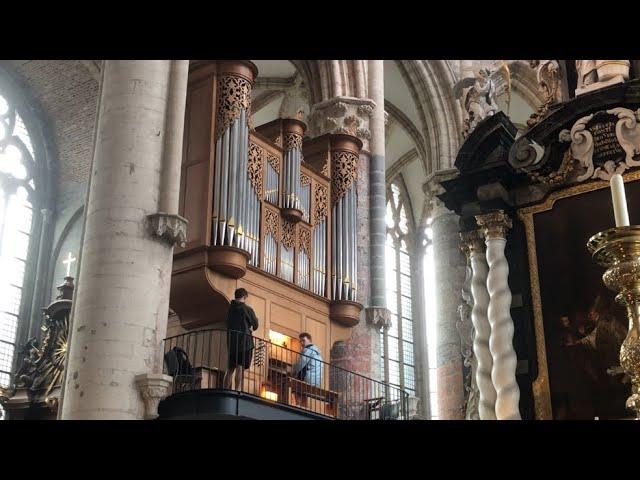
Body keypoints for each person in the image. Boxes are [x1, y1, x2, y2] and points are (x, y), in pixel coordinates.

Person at [224, 288, 259, 391]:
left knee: (230, 369)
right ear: (244, 297)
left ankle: (225, 389)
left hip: (231, 342)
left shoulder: (230, 309)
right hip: (244, 342)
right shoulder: (247, 309)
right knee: (240, 367)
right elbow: (256, 325)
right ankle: (237, 390)